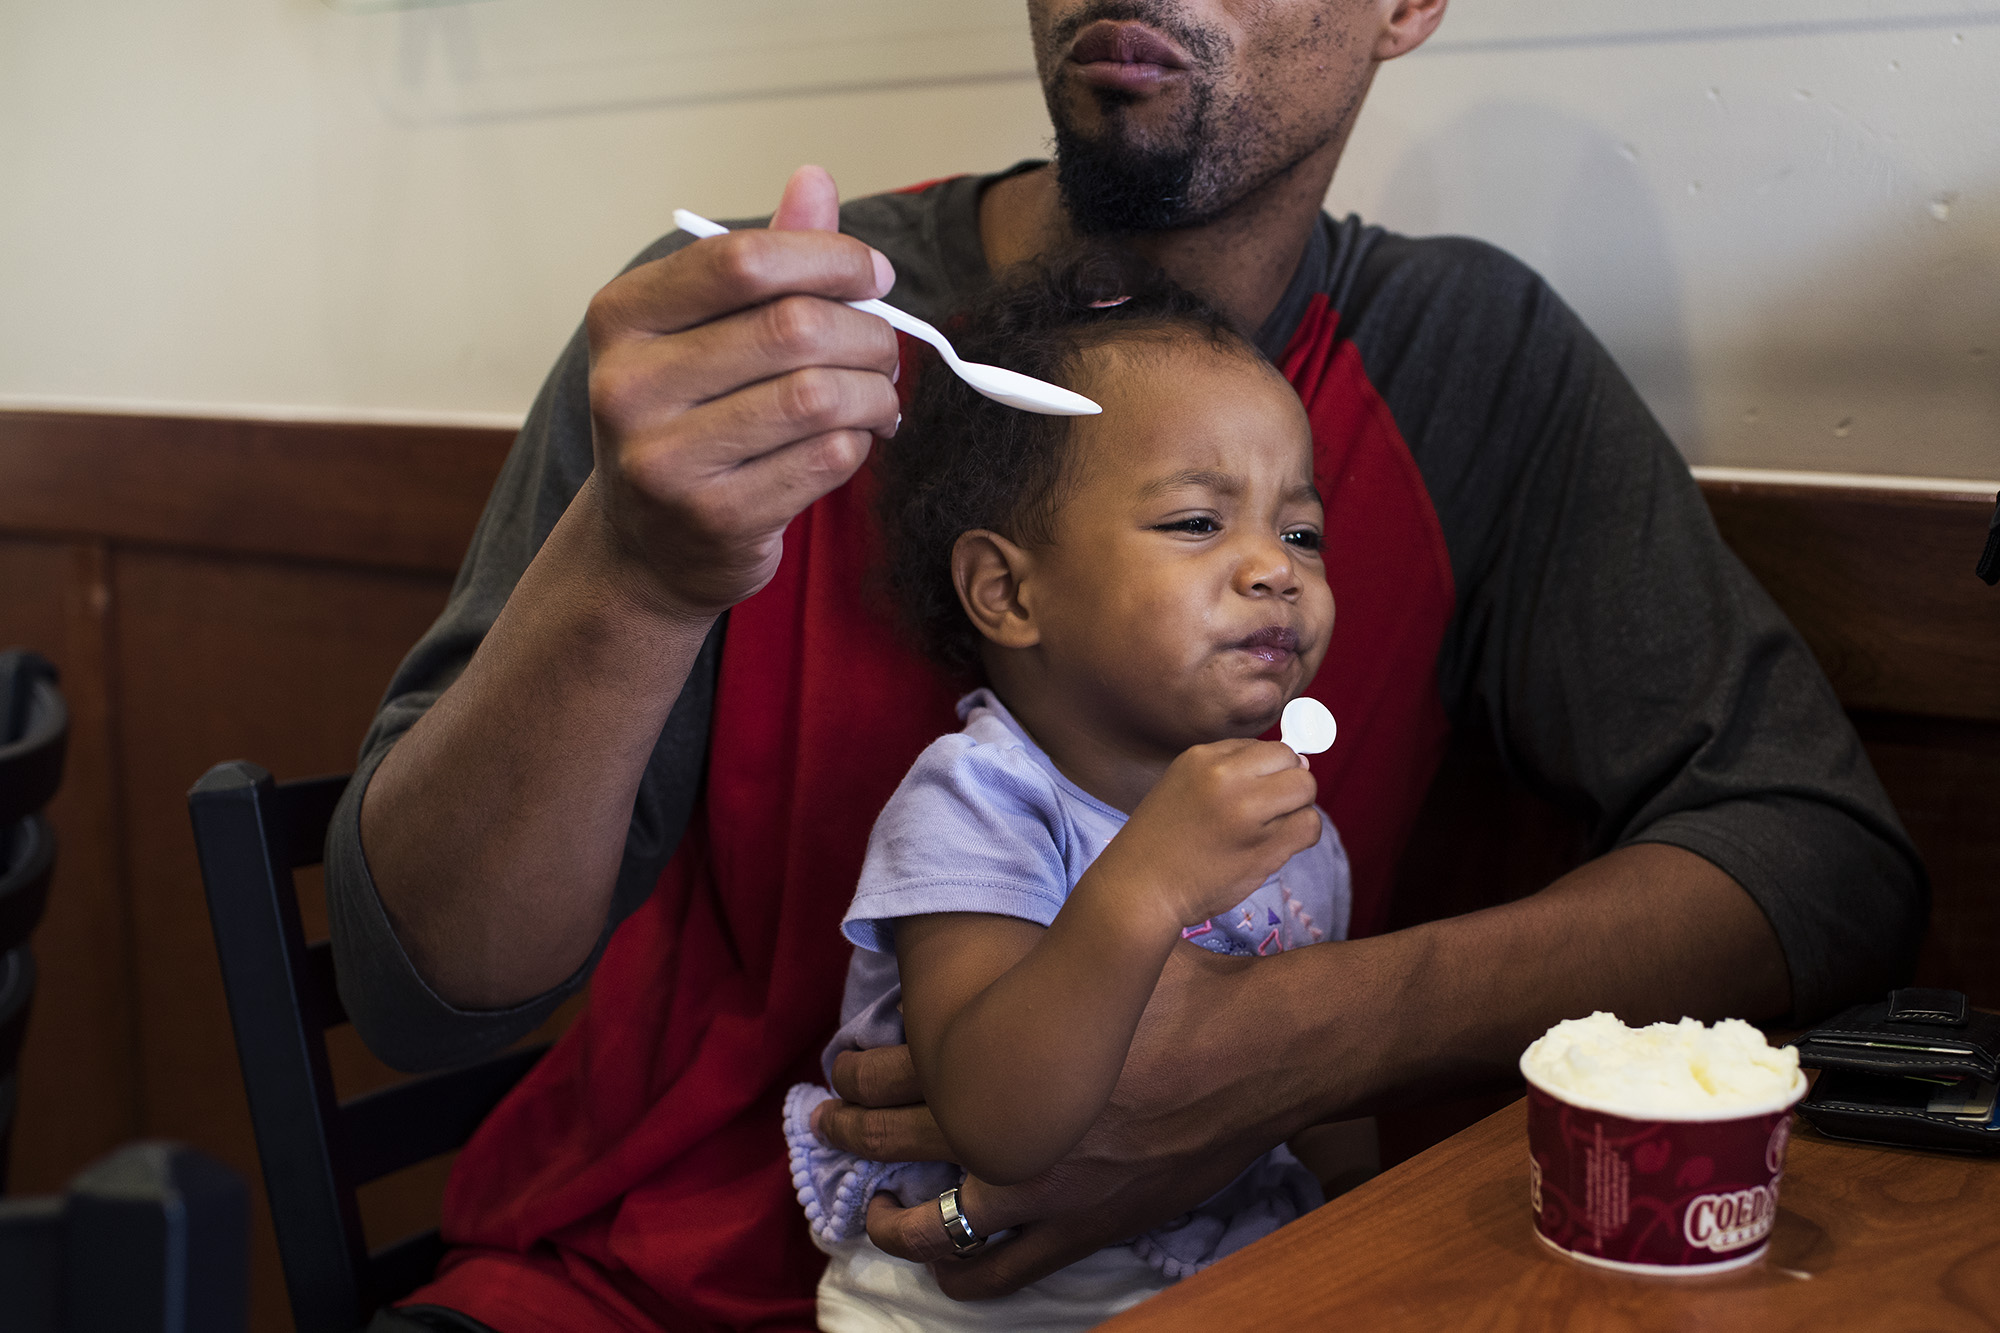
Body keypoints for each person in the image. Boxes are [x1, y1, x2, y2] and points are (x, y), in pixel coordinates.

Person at [329, 2, 1924, 1330]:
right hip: (630, 1289)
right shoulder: (754, 349)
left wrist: (1274, 1049)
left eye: (1292, 531)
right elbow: (430, 984)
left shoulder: (1466, 363)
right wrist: (632, 571)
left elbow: (1821, 862)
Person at [789, 257, 1350, 1330]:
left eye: (1299, 531)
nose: (1274, 569)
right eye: (1196, 522)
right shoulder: (977, 800)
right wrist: (1145, 882)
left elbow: (1316, 1088)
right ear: (1008, 590)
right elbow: (998, 1121)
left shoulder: (1280, 813)